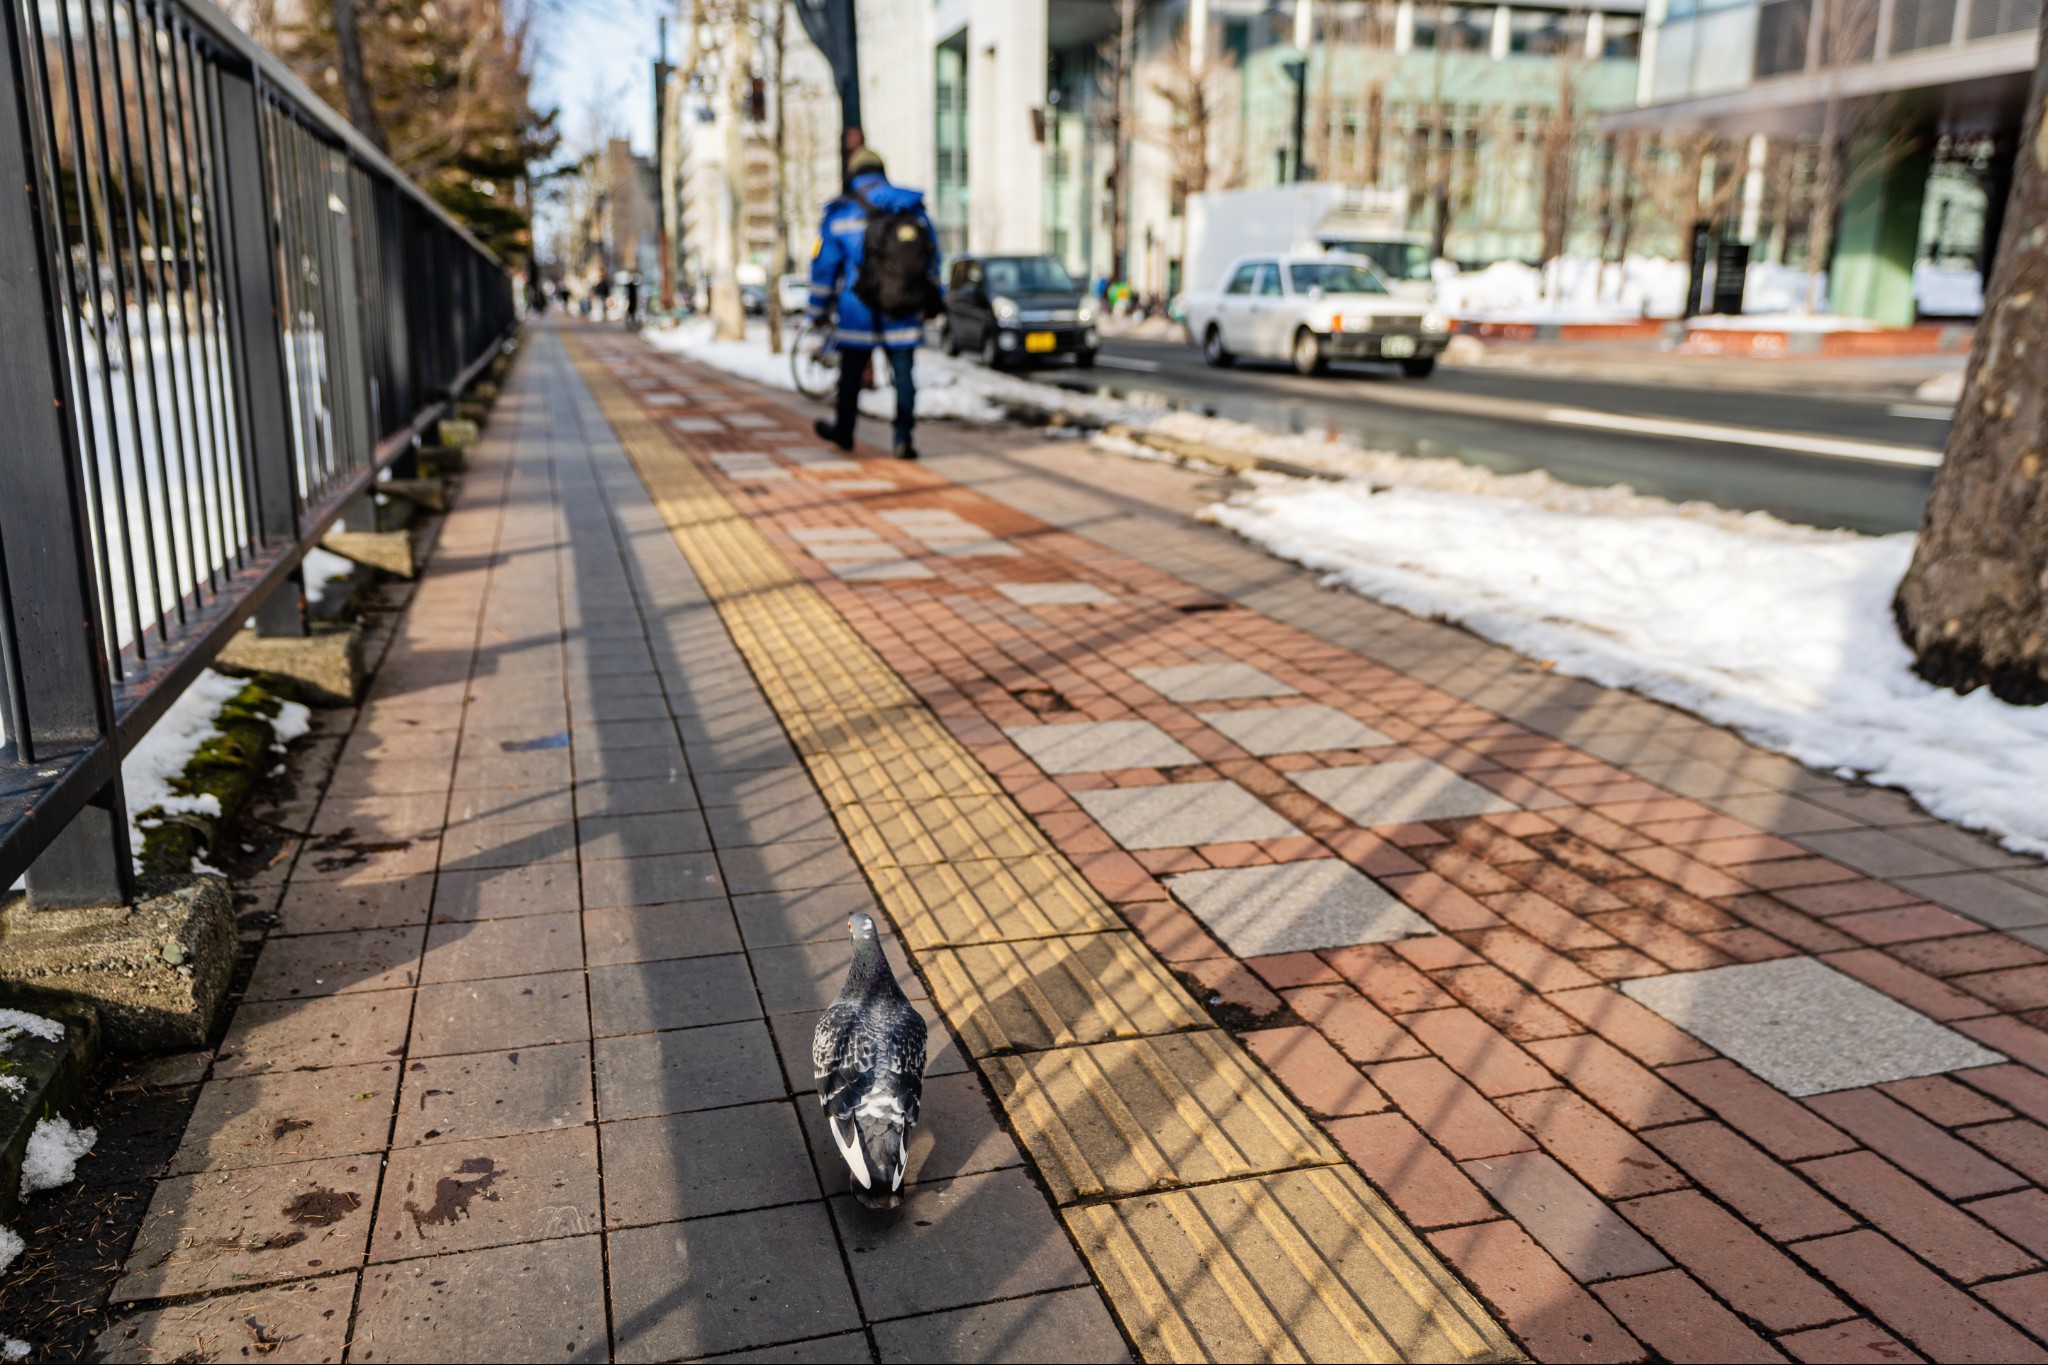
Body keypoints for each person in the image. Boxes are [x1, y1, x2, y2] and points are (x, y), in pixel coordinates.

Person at [807, 145, 941, 459]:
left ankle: (844, 431)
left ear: (853, 174)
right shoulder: (910, 206)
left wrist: (817, 309)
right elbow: (931, 255)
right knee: (904, 376)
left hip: (857, 309)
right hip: (904, 307)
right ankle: (903, 438)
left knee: (851, 375)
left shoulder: (841, 212)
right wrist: (935, 297)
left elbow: (825, 266)